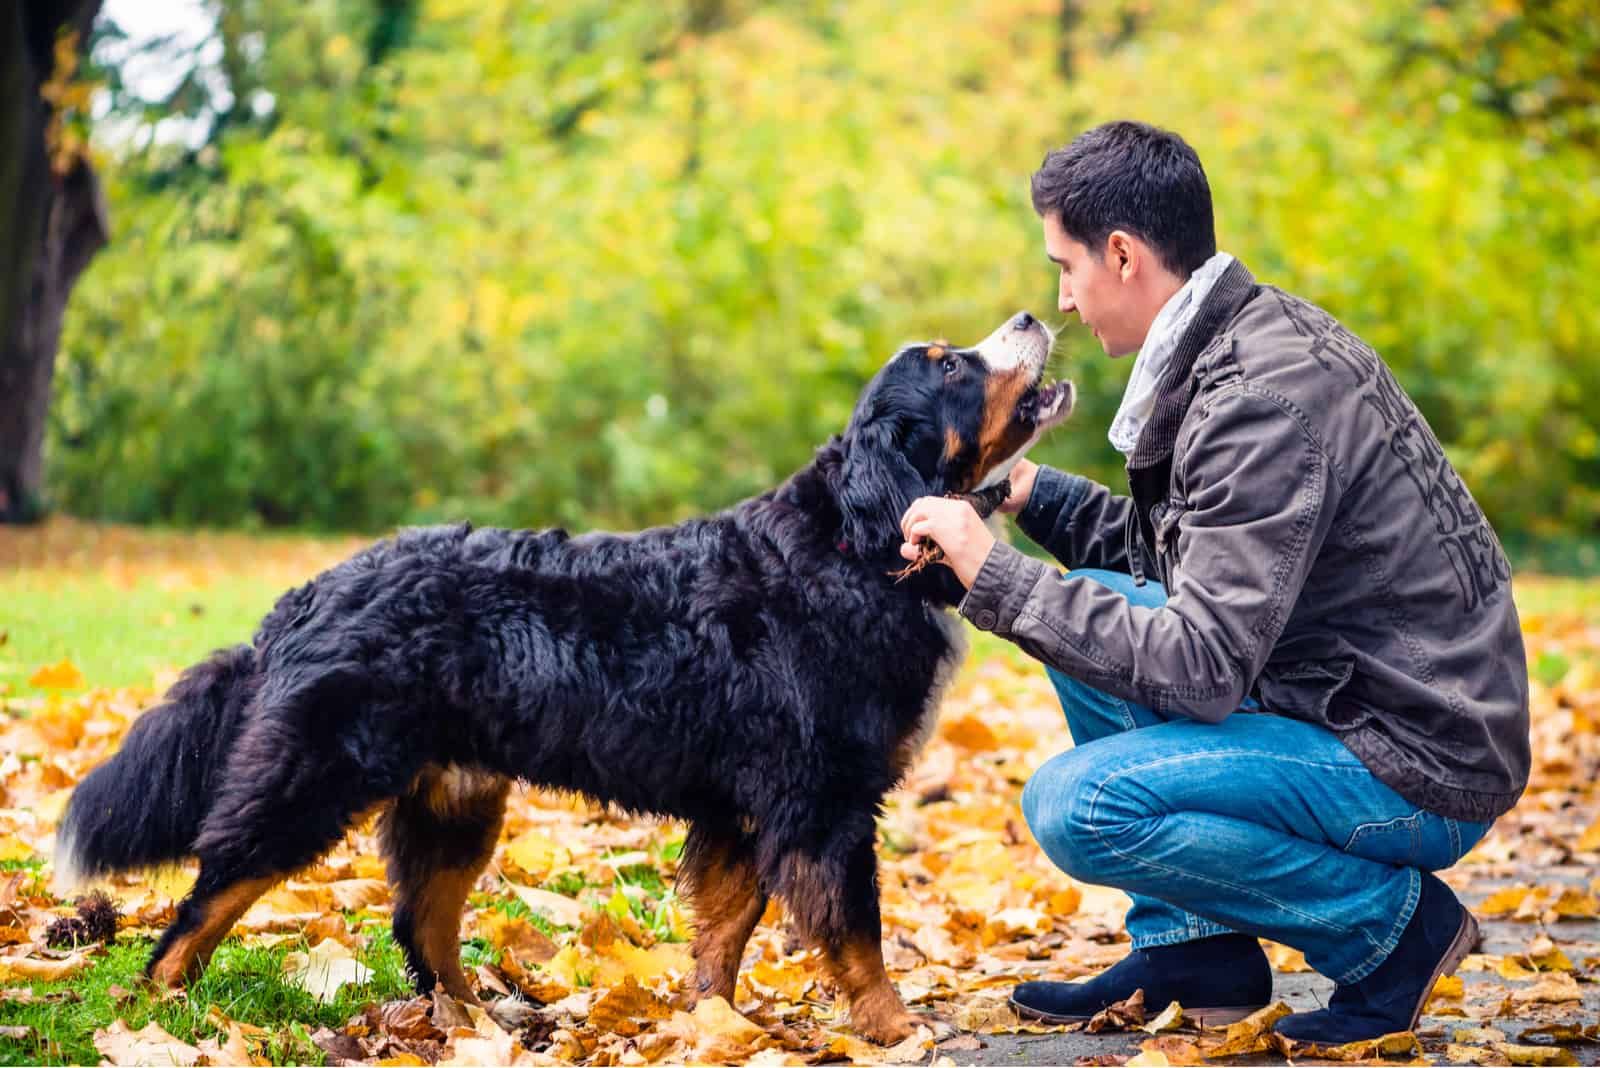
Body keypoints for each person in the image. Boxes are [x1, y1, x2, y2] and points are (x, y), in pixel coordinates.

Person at [897, 120, 1529, 1044]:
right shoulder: (1241, 342)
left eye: (1065, 268)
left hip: (1415, 759)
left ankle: (1394, 935)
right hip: (1361, 702)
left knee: (1080, 804)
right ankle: (1199, 951)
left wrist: (997, 577)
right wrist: (1035, 497)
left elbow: (1198, 664)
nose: (1063, 302)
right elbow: (1187, 563)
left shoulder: (1258, 400)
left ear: (1121, 255)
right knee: (1097, 614)